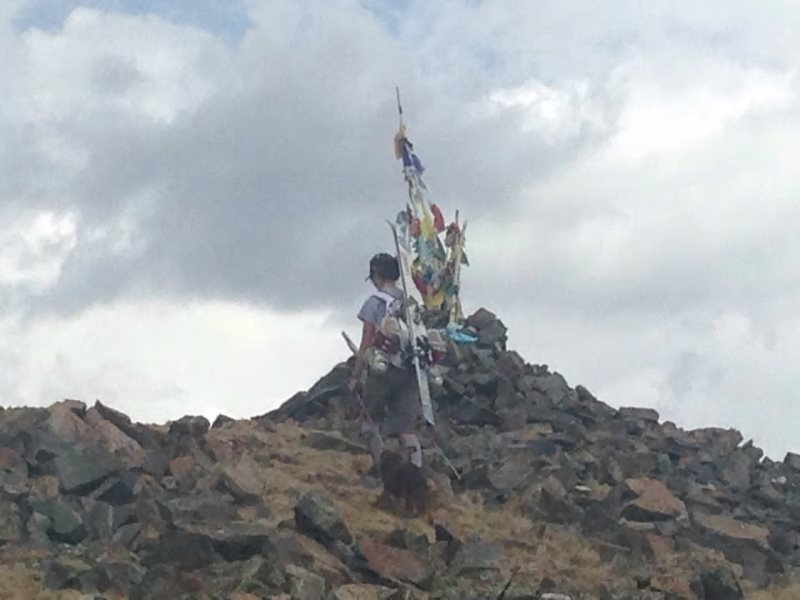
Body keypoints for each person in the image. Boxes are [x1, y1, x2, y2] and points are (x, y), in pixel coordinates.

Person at [347, 253, 423, 472]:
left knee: (370, 420)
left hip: (382, 369)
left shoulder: (375, 302)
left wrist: (356, 375)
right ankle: (415, 472)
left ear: (376, 275)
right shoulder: (411, 303)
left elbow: (367, 341)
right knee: (407, 429)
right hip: (411, 369)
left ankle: (381, 468)